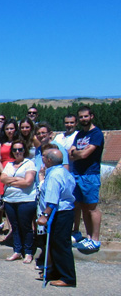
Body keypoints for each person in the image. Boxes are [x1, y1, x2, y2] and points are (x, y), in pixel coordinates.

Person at [36, 148, 76, 287]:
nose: (42, 158)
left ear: (49, 160)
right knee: (54, 244)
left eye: (44, 156)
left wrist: (45, 215)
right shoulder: (63, 172)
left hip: (60, 213)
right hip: (65, 211)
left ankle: (67, 277)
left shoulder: (54, 175)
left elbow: (53, 199)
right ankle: (56, 272)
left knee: (61, 245)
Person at [69, 106, 104, 254]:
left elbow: (84, 155)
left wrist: (77, 152)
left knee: (92, 207)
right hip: (77, 173)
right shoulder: (80, 135)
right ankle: (88, 237)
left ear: (91, 116)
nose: (83, 119)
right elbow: (70, 154)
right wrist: (78, 152)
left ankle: (95, 239)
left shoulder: (96, 134)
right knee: (82, 206)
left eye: (85, 116)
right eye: (81, 117)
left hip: (90, 174)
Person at [0, 140, 37, 264]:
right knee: (14, 226)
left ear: (24, 150)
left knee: (25, 226)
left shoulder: (29, 164)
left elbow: (28, 182)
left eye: (20, 149)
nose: (17, 152)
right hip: (10, 200)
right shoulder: (9, 165)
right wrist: (17, 179)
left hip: (26, 200)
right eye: (15, 150)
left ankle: (28, 252)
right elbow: (2, 178)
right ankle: (17, 250)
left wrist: (10, 181)